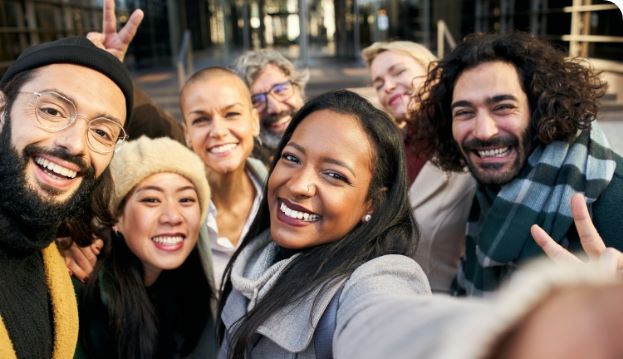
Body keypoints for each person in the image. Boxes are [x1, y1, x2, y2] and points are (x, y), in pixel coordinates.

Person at [217, 90, 431, 358]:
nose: (298, 185)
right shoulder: (253, 263)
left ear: (373, 202)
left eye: (333, 175)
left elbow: (391, 325)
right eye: (292, 158)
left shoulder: (378, 278)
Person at [410, 31, 623, 296]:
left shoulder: (614, 199)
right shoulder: (488, 187)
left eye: (503, 107)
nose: (483, 131)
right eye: (464, 112)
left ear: (540, 110)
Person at [0, 36, 132, 358]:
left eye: (102, 132)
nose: (76, 144)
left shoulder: (53, 252)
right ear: (3, 109)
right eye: (53, 110)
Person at [75, 136, 217, 358]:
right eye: (152, 200)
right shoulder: (85, 293)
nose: (172, 216)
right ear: (116, 217)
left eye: (186, 200)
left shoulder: (187, 292)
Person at [362, 40, 475, 292]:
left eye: (398, 71)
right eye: (378, 83)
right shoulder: (384, 150)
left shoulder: (469, 142)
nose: (388, 86)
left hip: (447, 312)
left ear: (432, 71)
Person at [180, 67, 268, 288]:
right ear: (187, 134)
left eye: (231, 114)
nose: (218, 131)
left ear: (254, 121)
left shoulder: (284, 197)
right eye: (201, 119)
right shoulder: (171, 211)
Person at [234, 49, 307, 164]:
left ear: (299, 90)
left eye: (281, 90)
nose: (275, 108)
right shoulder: (247, 170)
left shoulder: (328, 139)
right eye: (256, 100)